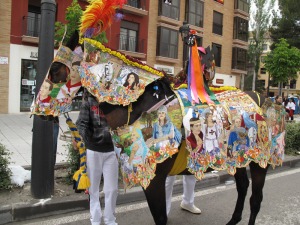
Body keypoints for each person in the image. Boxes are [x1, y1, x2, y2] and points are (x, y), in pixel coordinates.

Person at [76, 89, 118, 225]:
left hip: (112, 150)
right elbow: (81, 124)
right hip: (93, 150)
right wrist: (80, 138)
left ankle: (110, 220)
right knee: (93, 188)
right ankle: (95, 220)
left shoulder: (115, 100)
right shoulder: (88, 102)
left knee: (112, 189)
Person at [165, 117, 202, 215]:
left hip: (190, 139)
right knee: (169, 175)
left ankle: (188, 202)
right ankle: (163, 211)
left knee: (191, 171)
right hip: (173, 140)